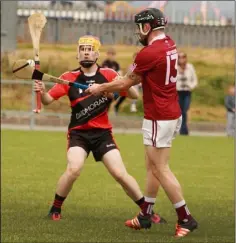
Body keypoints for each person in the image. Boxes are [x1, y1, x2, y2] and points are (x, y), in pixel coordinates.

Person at [86, 8, 198, 238]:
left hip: (159, 114)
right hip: (171, 111)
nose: (138, 31)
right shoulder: (169, 43)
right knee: (152, 166)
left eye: (140, 27)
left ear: (147, 27)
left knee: (160, 168)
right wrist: (129, 73)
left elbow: (127, 82)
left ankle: (186, 218)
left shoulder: (148, 53)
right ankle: (145, 215)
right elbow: (137, 75)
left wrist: (100, 87)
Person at [34, 35, 164, 224]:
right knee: (74, 169)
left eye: (89, 49)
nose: (85, 52)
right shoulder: (68, 77)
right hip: (79, 133)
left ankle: (147, 211)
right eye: (82, 49)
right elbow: (47, 101)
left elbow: (134, 94)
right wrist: (41, 91)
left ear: (97, 54)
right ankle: (55, 208)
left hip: (103, 134)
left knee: (120, 174)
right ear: (77, 55)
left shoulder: (109, 75)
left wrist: (114, 86)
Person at [176, 52, 198, 135]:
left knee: (185, 110)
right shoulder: (175, 67)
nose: (181, 59)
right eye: (180, 57)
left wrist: (191, 86)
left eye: (183, 57)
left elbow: (195, 80)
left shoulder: (190, 67)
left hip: (187, 91)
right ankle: (182, 130)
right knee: (179, 111)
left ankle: (184, 129)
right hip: (178, 91)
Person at [101, 47, 126, 115]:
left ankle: (116, 106)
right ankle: (105, 112)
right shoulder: (104, 63)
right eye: (109, 54)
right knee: (108, 98)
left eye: (112, 54)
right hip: (106, 84)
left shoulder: (116, 64)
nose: (111, 55)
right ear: (107, 54)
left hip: (115, 84)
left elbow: (120, 73)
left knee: (125, 93)